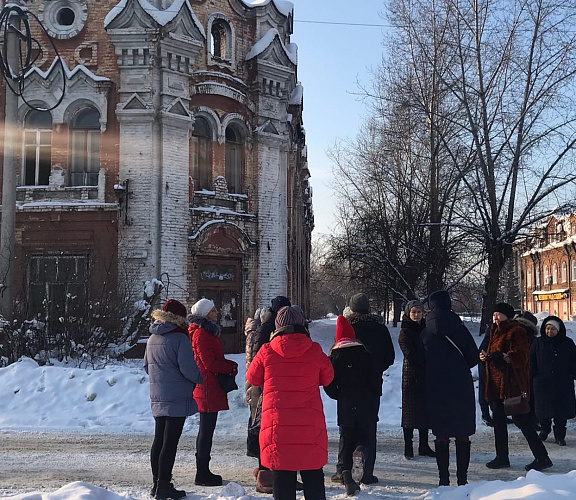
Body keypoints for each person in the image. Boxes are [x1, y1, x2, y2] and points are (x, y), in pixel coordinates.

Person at [246, 306, 334, 500]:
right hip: (309, 425)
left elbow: (253, 377)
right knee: (313, 476)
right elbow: (328, 378)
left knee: (282, 477)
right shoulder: (314, 350)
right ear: (302, 324)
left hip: (278, 425)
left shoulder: (267, 351)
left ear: (278, 326)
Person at [481, 302, 553, 471]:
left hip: (511, 384)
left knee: (522, 421)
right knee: (498, 421)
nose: (496, 317)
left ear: (507, 315)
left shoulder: (517, 331)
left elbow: (521, 357)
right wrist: (486, 356)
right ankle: (502, 457)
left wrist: (504, 356)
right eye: (494, 314)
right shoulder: (494, 330)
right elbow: (493, 352)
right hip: (495, 384)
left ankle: (542, 457)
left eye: (499, 314)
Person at [143, 299, 203, 500]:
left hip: (158, 394)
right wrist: (200, 378)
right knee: (170, 442)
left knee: (159, 439)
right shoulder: (179, 338)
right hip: (176, 396)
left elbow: (146, 366)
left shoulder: (152, 337)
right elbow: (188, 369)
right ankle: (164, 485)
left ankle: (156, 483)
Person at [332, 293, 394, 485]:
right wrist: (375, 370)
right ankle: (366, 471)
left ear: (351, 309)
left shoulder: (349, 329)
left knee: (347, 429)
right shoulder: (380, 329)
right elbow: (390, 357)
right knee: (368, 428)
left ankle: (343, 470)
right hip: (372, 385)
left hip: (347, 388)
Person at [421, 290, 478, 486]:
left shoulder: (425, 331)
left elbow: (420, 360)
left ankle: (443, 479)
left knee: (441, 434)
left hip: (435, 387)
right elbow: (473, 357)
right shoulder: (460, 328)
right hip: (460, 386)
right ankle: (462, 479)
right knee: (462, 434)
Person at [325, 315, 381, 496]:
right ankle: (366, 470)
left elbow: (329, 383)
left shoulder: (334, 356)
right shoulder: (366, 354)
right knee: (367, 436)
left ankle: (344, 472)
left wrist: (338, 395)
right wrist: (374, 394)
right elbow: (376, 379)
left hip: (346, 403)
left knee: (346, 437)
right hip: (367, 402)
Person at [189, 298, 238, 486]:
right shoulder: (202, 334)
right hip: (207, 387)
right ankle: (202, 472)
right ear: (205, 314)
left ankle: (203, 470)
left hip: (210, 385)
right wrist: (229, 367)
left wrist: (227, 366)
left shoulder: (207, 332)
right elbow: (209, 363)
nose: (216, 313)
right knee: (206, 430)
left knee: (207, 430)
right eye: (213, 310)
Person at [248, 296, 292, 493]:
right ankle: (266, 475)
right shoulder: (268, 328)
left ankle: (271, 472)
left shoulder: (268, 326)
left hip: (268, 386)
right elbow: (258, 360)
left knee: (271, 431)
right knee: (265, 430)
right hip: (265, 388)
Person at [398, 299, 436, 459]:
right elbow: (409, 352)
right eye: (413, 312)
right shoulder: (405, 331)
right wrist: (424, 359)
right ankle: (408, 446)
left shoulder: (426, 329)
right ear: (408, 313)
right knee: (409, 413)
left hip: (425, 375)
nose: (416, 315)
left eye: (419, 312)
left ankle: (423, 445)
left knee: (424, 412)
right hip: (411, 375)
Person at [531, 315, 576, 446]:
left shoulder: (567, 343)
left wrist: (571, 373)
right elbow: (531, 360)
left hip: (562, 383)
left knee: (561, 412)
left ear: (559, 330)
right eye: (547, 328)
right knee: (543, 410)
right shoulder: (538, 343)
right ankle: (544, 430)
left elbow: (574, 360)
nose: (550, 332)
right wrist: (534, 373)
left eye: (553, 329)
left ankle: (560, 435)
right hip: (542, 383)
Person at [244, 307, 261, 459]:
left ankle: (252, 445)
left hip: (250, 374)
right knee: (255, 412)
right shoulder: (256, 334)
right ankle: (253, 446)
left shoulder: (251, 331)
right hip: (253, 375)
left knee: (253, 411)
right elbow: (254, 357)